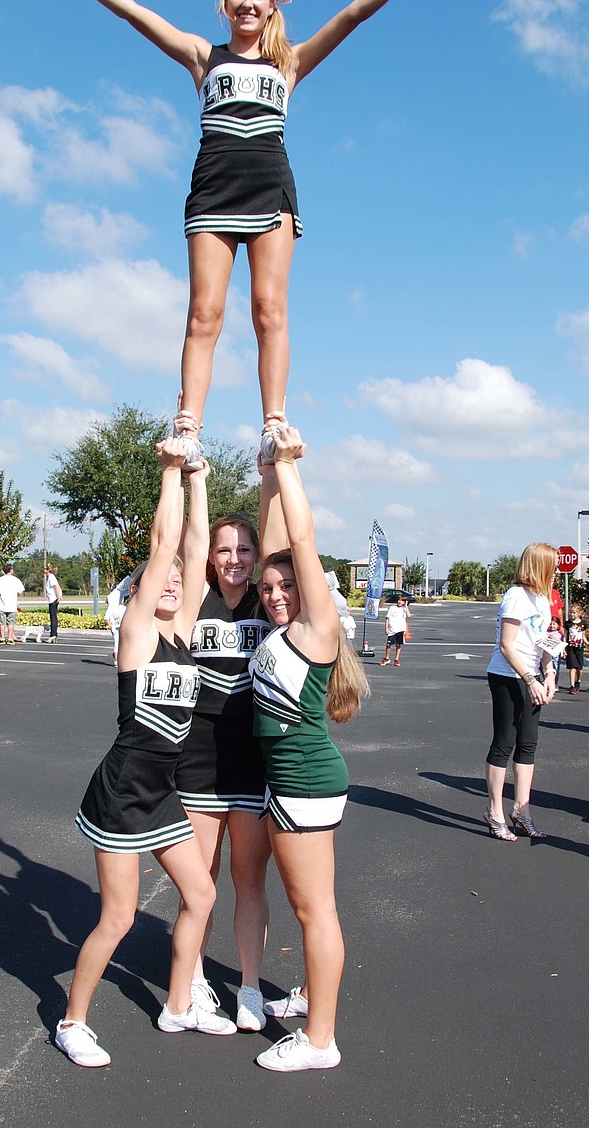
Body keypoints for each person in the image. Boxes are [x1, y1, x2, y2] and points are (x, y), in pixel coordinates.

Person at [56, 0, 428, 461]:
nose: (248, 3)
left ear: (271, 2)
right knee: (204, 311)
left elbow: (353, 16)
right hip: (213, 188)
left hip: (270, 188)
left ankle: (274, 422)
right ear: (225, 5)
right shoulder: (203, 57)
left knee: (268, 309)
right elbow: (133, 12)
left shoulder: (290, 64)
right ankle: (187, 426)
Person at [55, 440, 237, 1069]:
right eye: (161, 583)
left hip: (163, 791)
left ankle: (179, 1003)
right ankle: (72, 1021)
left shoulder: (182, 632)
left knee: (203, 896)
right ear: (139, 590)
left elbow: (191, 548)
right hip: (122, 791)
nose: (176, 584)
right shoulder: (135, 634)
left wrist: (200, 479)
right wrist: (167, 472)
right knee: (120, 919)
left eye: (184, 584)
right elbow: (166, 551)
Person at [249, 426, 367, 1072]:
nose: (274, 593)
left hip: (304, 781)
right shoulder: (287, 627)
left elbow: (300, 545)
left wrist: (290, 465)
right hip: (288, 780)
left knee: (312, 908)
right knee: (309, 904)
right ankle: (313, 996)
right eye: (268, 588)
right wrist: (266, 472)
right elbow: (277, 550)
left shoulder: (316, 626)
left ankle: (321, 1040)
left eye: (286, 587)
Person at [175, 512, 271, 1031]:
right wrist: (196, 474)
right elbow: (187, 541)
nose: (234, 559)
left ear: (257, 557)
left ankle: (250, 988)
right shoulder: (198, 598)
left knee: (249, 879)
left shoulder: (268, 601)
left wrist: (273, 467)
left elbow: (278, 529)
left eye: (244, 550)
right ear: (211, 557)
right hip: (199, 755)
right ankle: (192, 981)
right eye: (224, 550)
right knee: (201, 883)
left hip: (253, 757)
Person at [483, 544, 557, 841]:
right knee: (504, 742)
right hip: (507, 676)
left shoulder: (543, 598)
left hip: (534, 675)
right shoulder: (516, 597)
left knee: (528, 743)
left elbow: (544, 641)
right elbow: (506, 645)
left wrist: (549, 673)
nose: (556, 570)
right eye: (552, 565)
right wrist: (530, 679)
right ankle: (495, 811)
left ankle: (521, 810)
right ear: (538, 565)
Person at [0, 564, 25, 645]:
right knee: (11, 622)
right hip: (12, 605)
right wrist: (16, 595)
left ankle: (2, 637)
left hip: (2, 604)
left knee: (1, 623)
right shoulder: (16, 580)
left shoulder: (0, 579)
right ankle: (10, 638)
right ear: (11, 570)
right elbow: (20, 591)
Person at [104, 575, 131, 663]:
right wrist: (109, 624)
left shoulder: (118, 606)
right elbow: (106, 617)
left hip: (119, 625)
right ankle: (117, 660)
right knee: (117, 643)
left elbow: (126, 592)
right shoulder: (113, 606)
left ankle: (118, 659)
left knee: (121, 643)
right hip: (115, 627)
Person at [380, 594, 410, 666]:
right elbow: (387, 618)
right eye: (399, 600)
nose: (400, 602)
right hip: (392, 630)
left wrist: (406, 606)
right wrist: (386, 628)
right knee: (388, 644)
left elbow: (408, 615)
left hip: (400, 629)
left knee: (398, 645)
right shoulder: (392, 608)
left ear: (404, 602)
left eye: (402, 601)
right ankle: (387, 658)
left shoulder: (404, 609)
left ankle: (396, 659)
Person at [564, 607, 585, 695]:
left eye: (574, 613)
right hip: (571, 647)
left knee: (579, 667)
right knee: (572, 666)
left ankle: (578, 681)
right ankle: (572, 685)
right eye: (571, 613)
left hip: (579, 647)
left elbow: (583, 636)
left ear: (579, 613)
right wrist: (564, 647)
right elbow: (565, 636)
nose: (572, 614)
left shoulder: (583, 624)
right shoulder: (568, 624)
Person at [44, 563, 62, 643]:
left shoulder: (51, 577)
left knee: (53, 617)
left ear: (48, 570)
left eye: (45, 569)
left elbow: (56, 586)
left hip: (53, 599)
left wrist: (58, 596)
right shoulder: (49, 577)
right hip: (51, 599)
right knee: (52, 617)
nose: (43, 570)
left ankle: (53, 634)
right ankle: (54, 634)